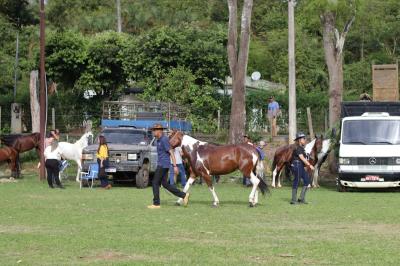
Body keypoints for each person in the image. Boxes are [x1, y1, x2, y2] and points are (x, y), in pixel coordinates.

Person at [148, 124, 190, 209]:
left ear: (159, 131)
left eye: (154, 130)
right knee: (165, 184)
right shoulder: (158, 140)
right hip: (162, 164)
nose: (153, 132)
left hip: (163, 165)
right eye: (153, 130)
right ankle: (184, 195)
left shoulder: (164, 140)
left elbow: (171, 152)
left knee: (155, 182)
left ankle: (156, 204)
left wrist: (175, 166)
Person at [290, 132, 314, 205]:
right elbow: (302, 158)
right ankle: (293, 200)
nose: (305, 140)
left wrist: (304, 167)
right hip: (296, 165)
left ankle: (301, 198)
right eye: (304, 138)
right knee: (296, 181)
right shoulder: (298, 148)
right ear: (300, 140)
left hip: (300, 165)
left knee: (307, 180)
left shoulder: (301, 148)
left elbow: (303, 160)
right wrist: (309, 165)